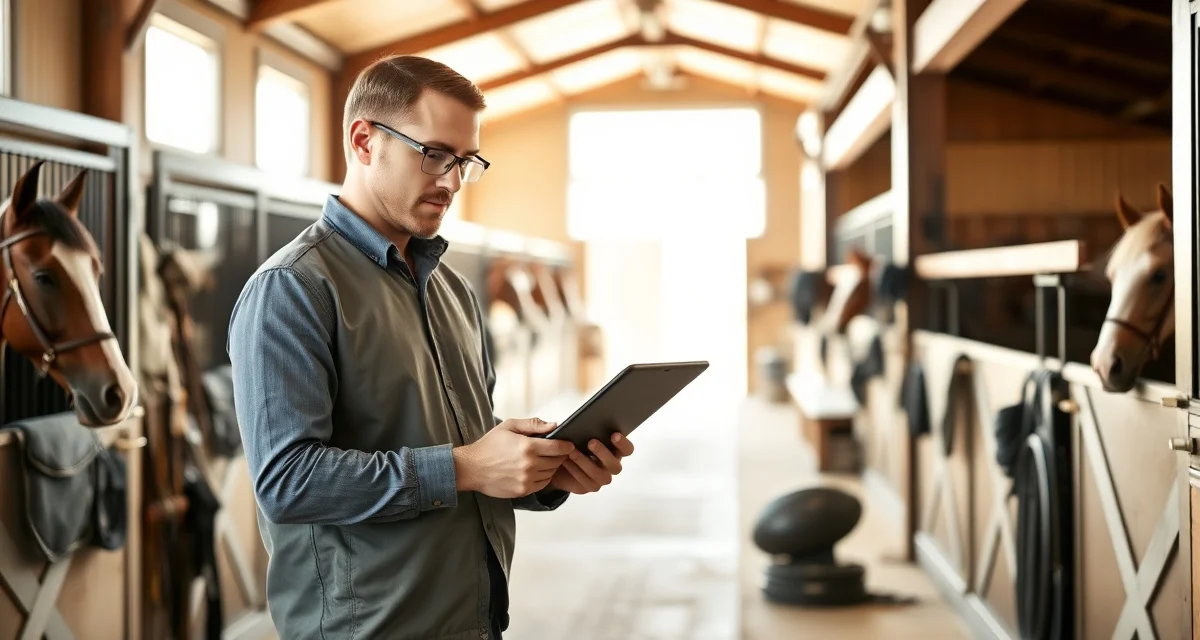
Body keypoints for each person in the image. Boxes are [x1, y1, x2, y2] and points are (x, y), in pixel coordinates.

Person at [227, 54, 636, 640]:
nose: (452, 182)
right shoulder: (292, 289)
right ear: (364, 142)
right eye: (435, 153)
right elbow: (288, 482)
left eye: (465, 161)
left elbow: (469, 447)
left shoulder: (452, 291)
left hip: (473, 620)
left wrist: (544, 473)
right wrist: (467, 467)